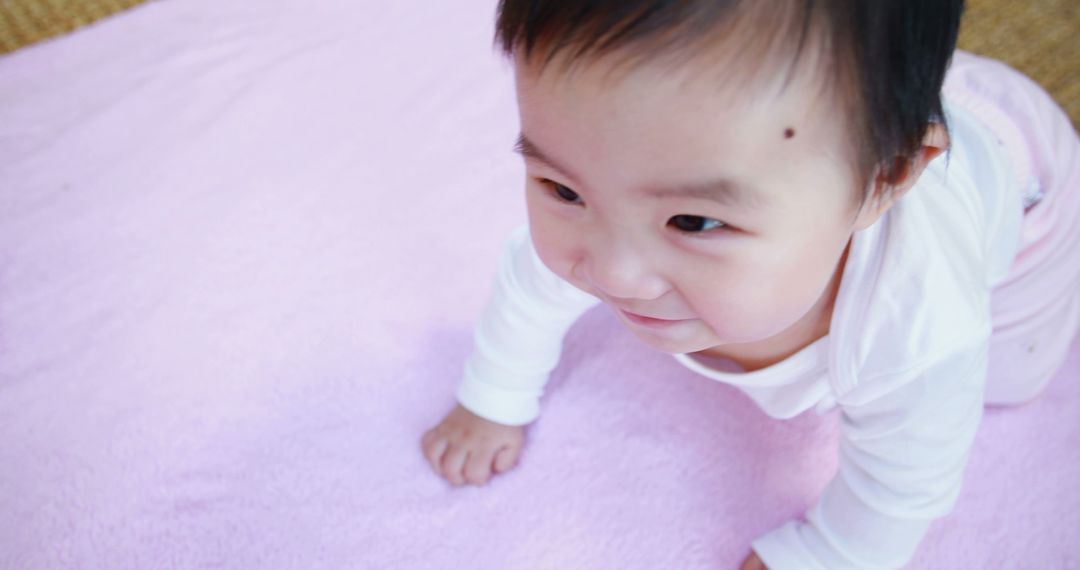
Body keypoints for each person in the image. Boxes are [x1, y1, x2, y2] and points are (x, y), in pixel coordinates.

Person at [420, 1, 1080, 568]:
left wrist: (833, 552)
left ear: (884, 183)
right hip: (859, 117)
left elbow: (904, 480)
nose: (612, 272)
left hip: (1028, 190)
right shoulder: (616, 190)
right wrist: (494, 396)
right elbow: (527, 291)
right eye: (561, 188)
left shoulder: (918, 324)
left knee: (1008, 380)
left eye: (695, 221)